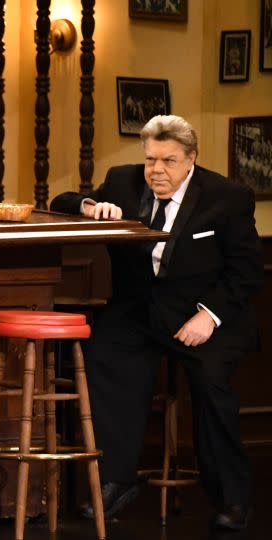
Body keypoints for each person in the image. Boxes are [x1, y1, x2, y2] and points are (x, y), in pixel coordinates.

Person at [50, 115, 263, 531]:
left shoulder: (227, 196)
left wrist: (209, 316)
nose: (156, 171)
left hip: (203, 314)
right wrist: (91, 206)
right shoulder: (123, 181)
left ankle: (232, 498)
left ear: (190, 161)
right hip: (140, 312)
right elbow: (62, 201)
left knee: (212, 385)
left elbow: (247, 270)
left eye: (167, 161)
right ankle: (115, 481)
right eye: (150, 160)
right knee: (102, 356)